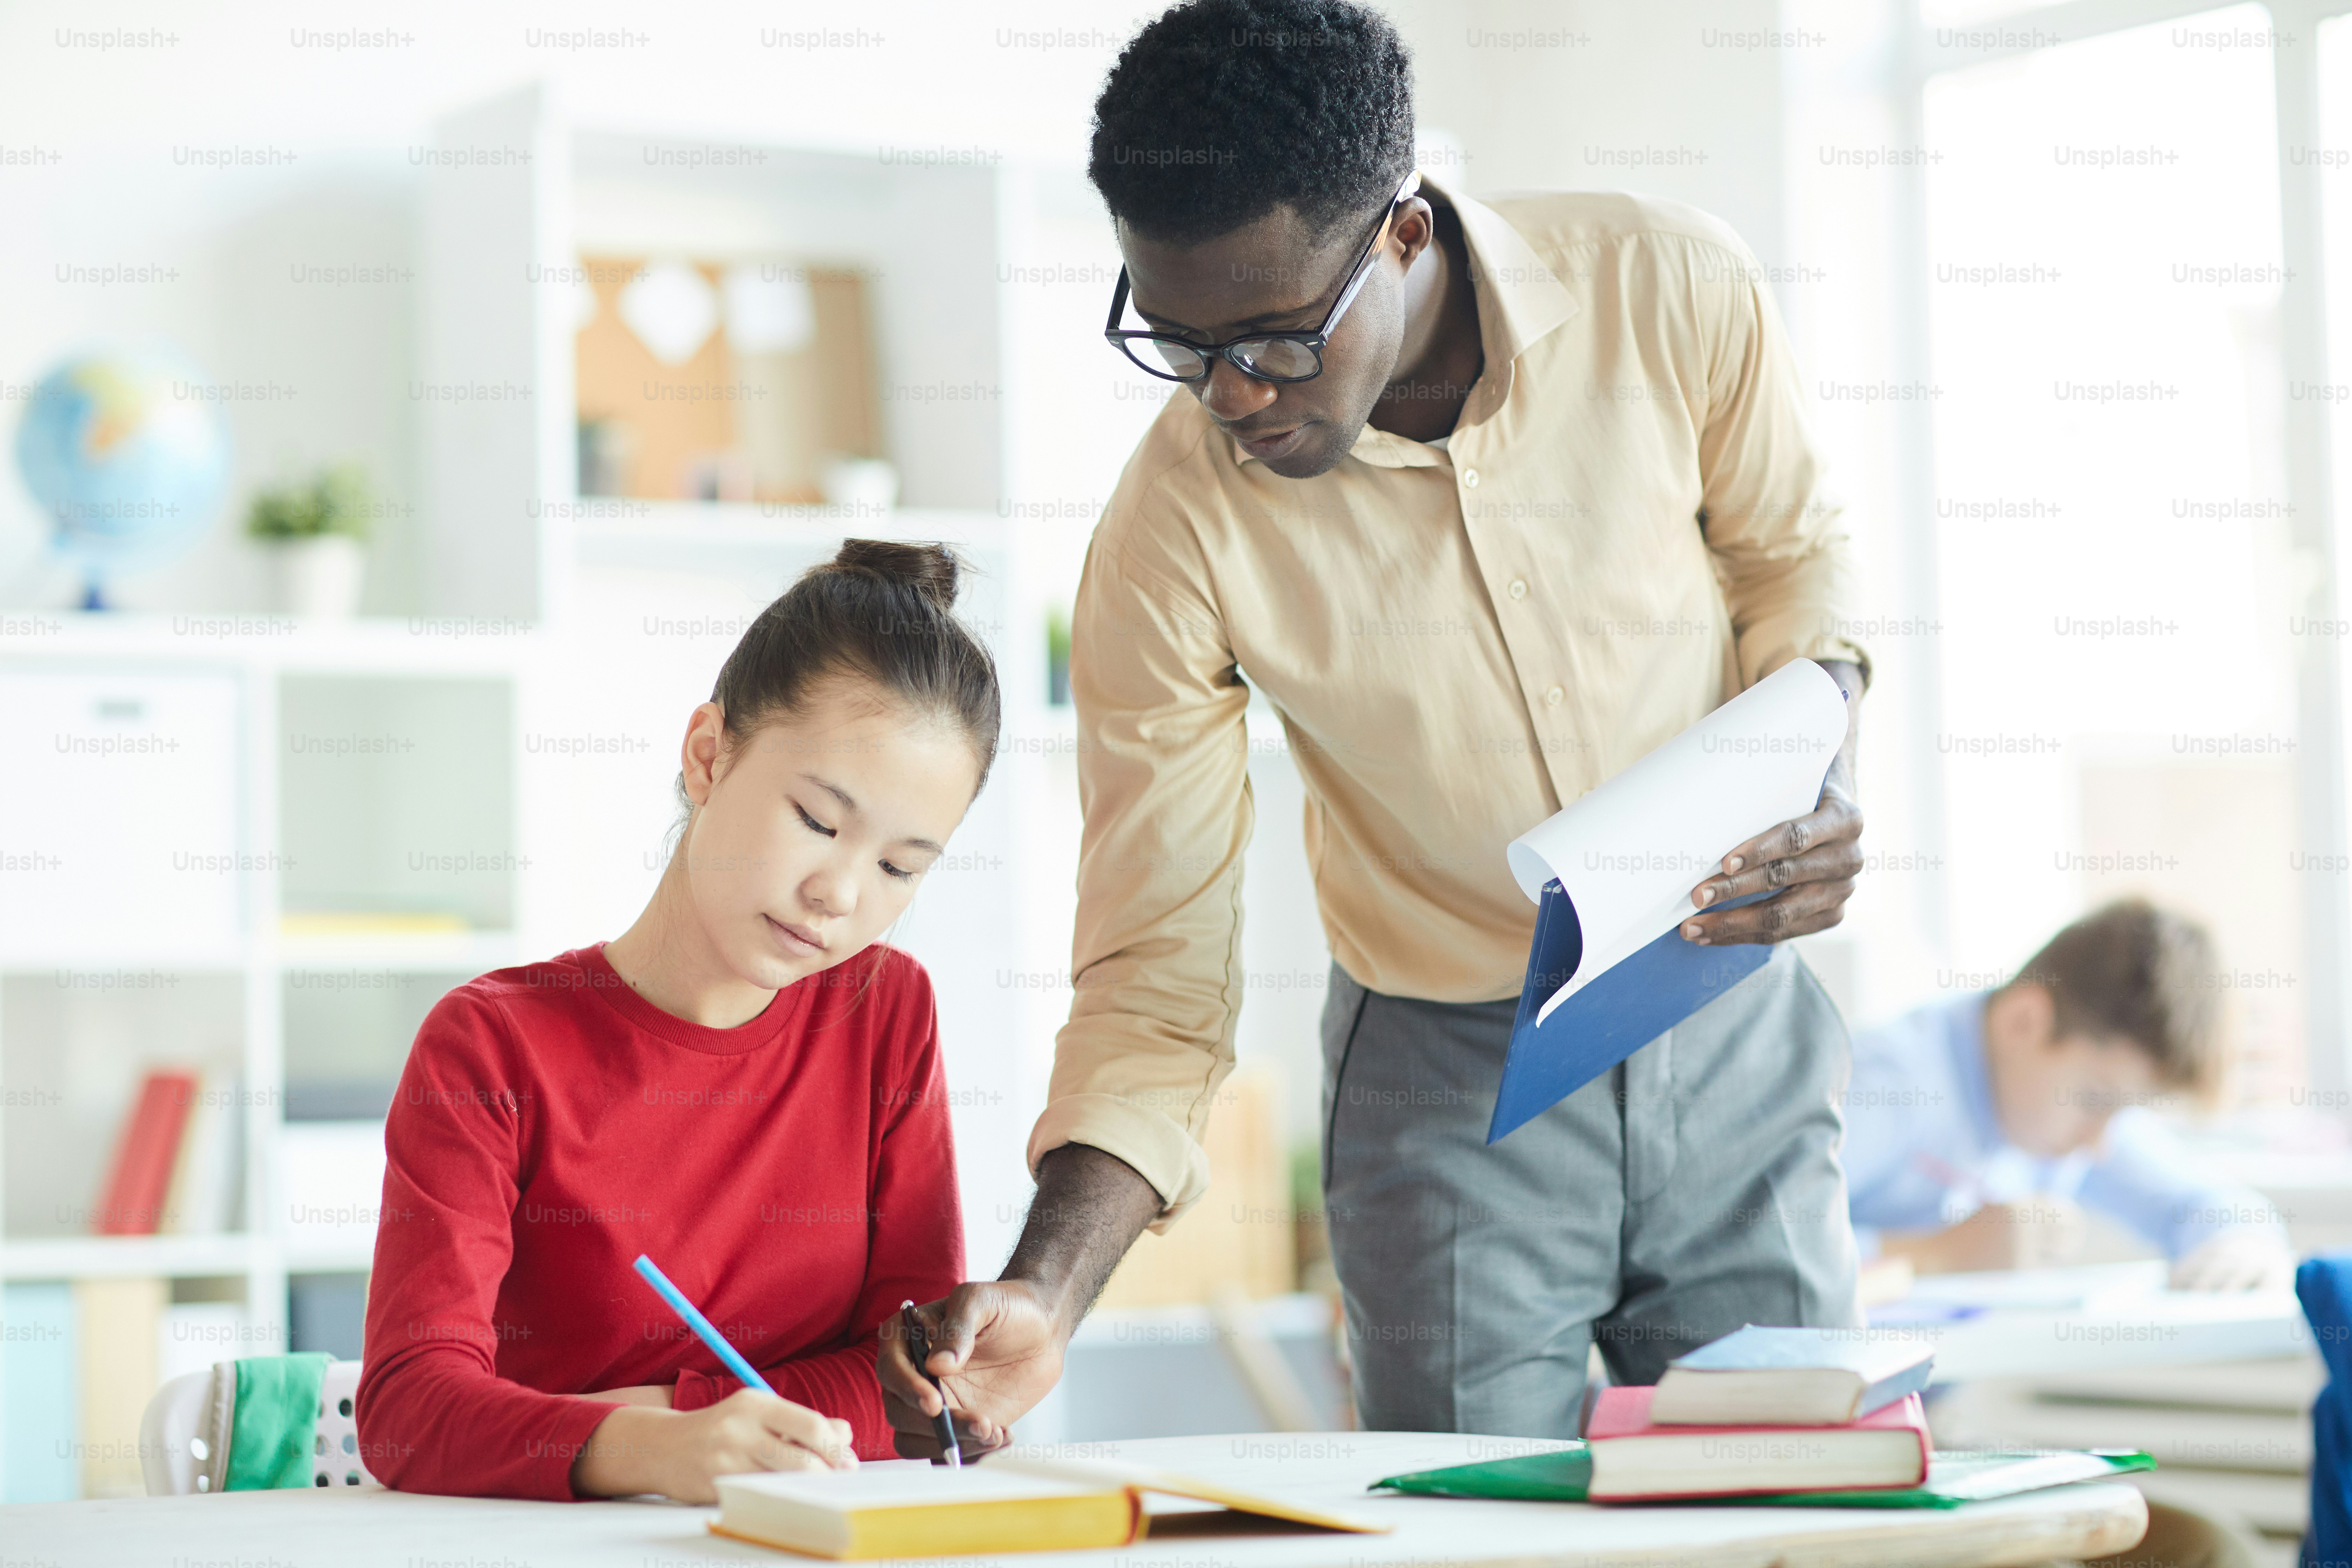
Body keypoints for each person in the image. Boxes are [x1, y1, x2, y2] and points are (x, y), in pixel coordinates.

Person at [881, 0, 1872, 1452]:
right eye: (1178, 342)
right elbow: (1157, 969)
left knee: (1800, 1508)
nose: (1231, 397)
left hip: (1729, 1009)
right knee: (1474, 1528)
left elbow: (1792, 561)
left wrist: (1816, 769)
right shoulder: (1171, 536)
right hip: (1446, 1081)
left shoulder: (1670, 288)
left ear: (1403, 232)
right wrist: (1048, 1288)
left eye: (1278, 341)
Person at [357, 541, 1001, 1500]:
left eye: (899, 868)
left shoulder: (886, 1011)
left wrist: (672, 1416)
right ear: (709, 756)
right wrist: (664, 1445)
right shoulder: (491, 1045)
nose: (838, 894)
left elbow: (906, 1381)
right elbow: (410, 1411)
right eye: (819, 821)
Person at [1845, 898, 2292, 1291]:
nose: (2099, 1146)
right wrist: (1934, 1254)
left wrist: (2242, 1243)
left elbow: (2201, 1202)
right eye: (2096, 1101)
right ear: (2024, 1022)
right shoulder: (1885, 1084)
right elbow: (1775, 1244)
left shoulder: (2058, 1108)